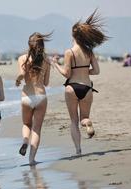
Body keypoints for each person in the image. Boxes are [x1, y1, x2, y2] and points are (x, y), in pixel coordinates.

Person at [52, 10, 108, 155]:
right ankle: (88, 123)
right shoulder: (89, 52)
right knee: (84, 117)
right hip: (87, 88)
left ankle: (78, 150)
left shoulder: (69, 52)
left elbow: (66, 73)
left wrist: (55, 64)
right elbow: (96, 71)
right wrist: (84, 71)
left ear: (73, 36)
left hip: (72, 88)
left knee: (73, 121)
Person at [16, 32, 51, 165]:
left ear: (28, 44)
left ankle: (25, 140)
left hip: (27, 96)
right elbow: (46, 83)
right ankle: (31, 159)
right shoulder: (46, 60)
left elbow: (21, 74)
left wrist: (18, 80)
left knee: (26, 124)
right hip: (41, 96)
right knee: (36, 129)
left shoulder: (22, 59)